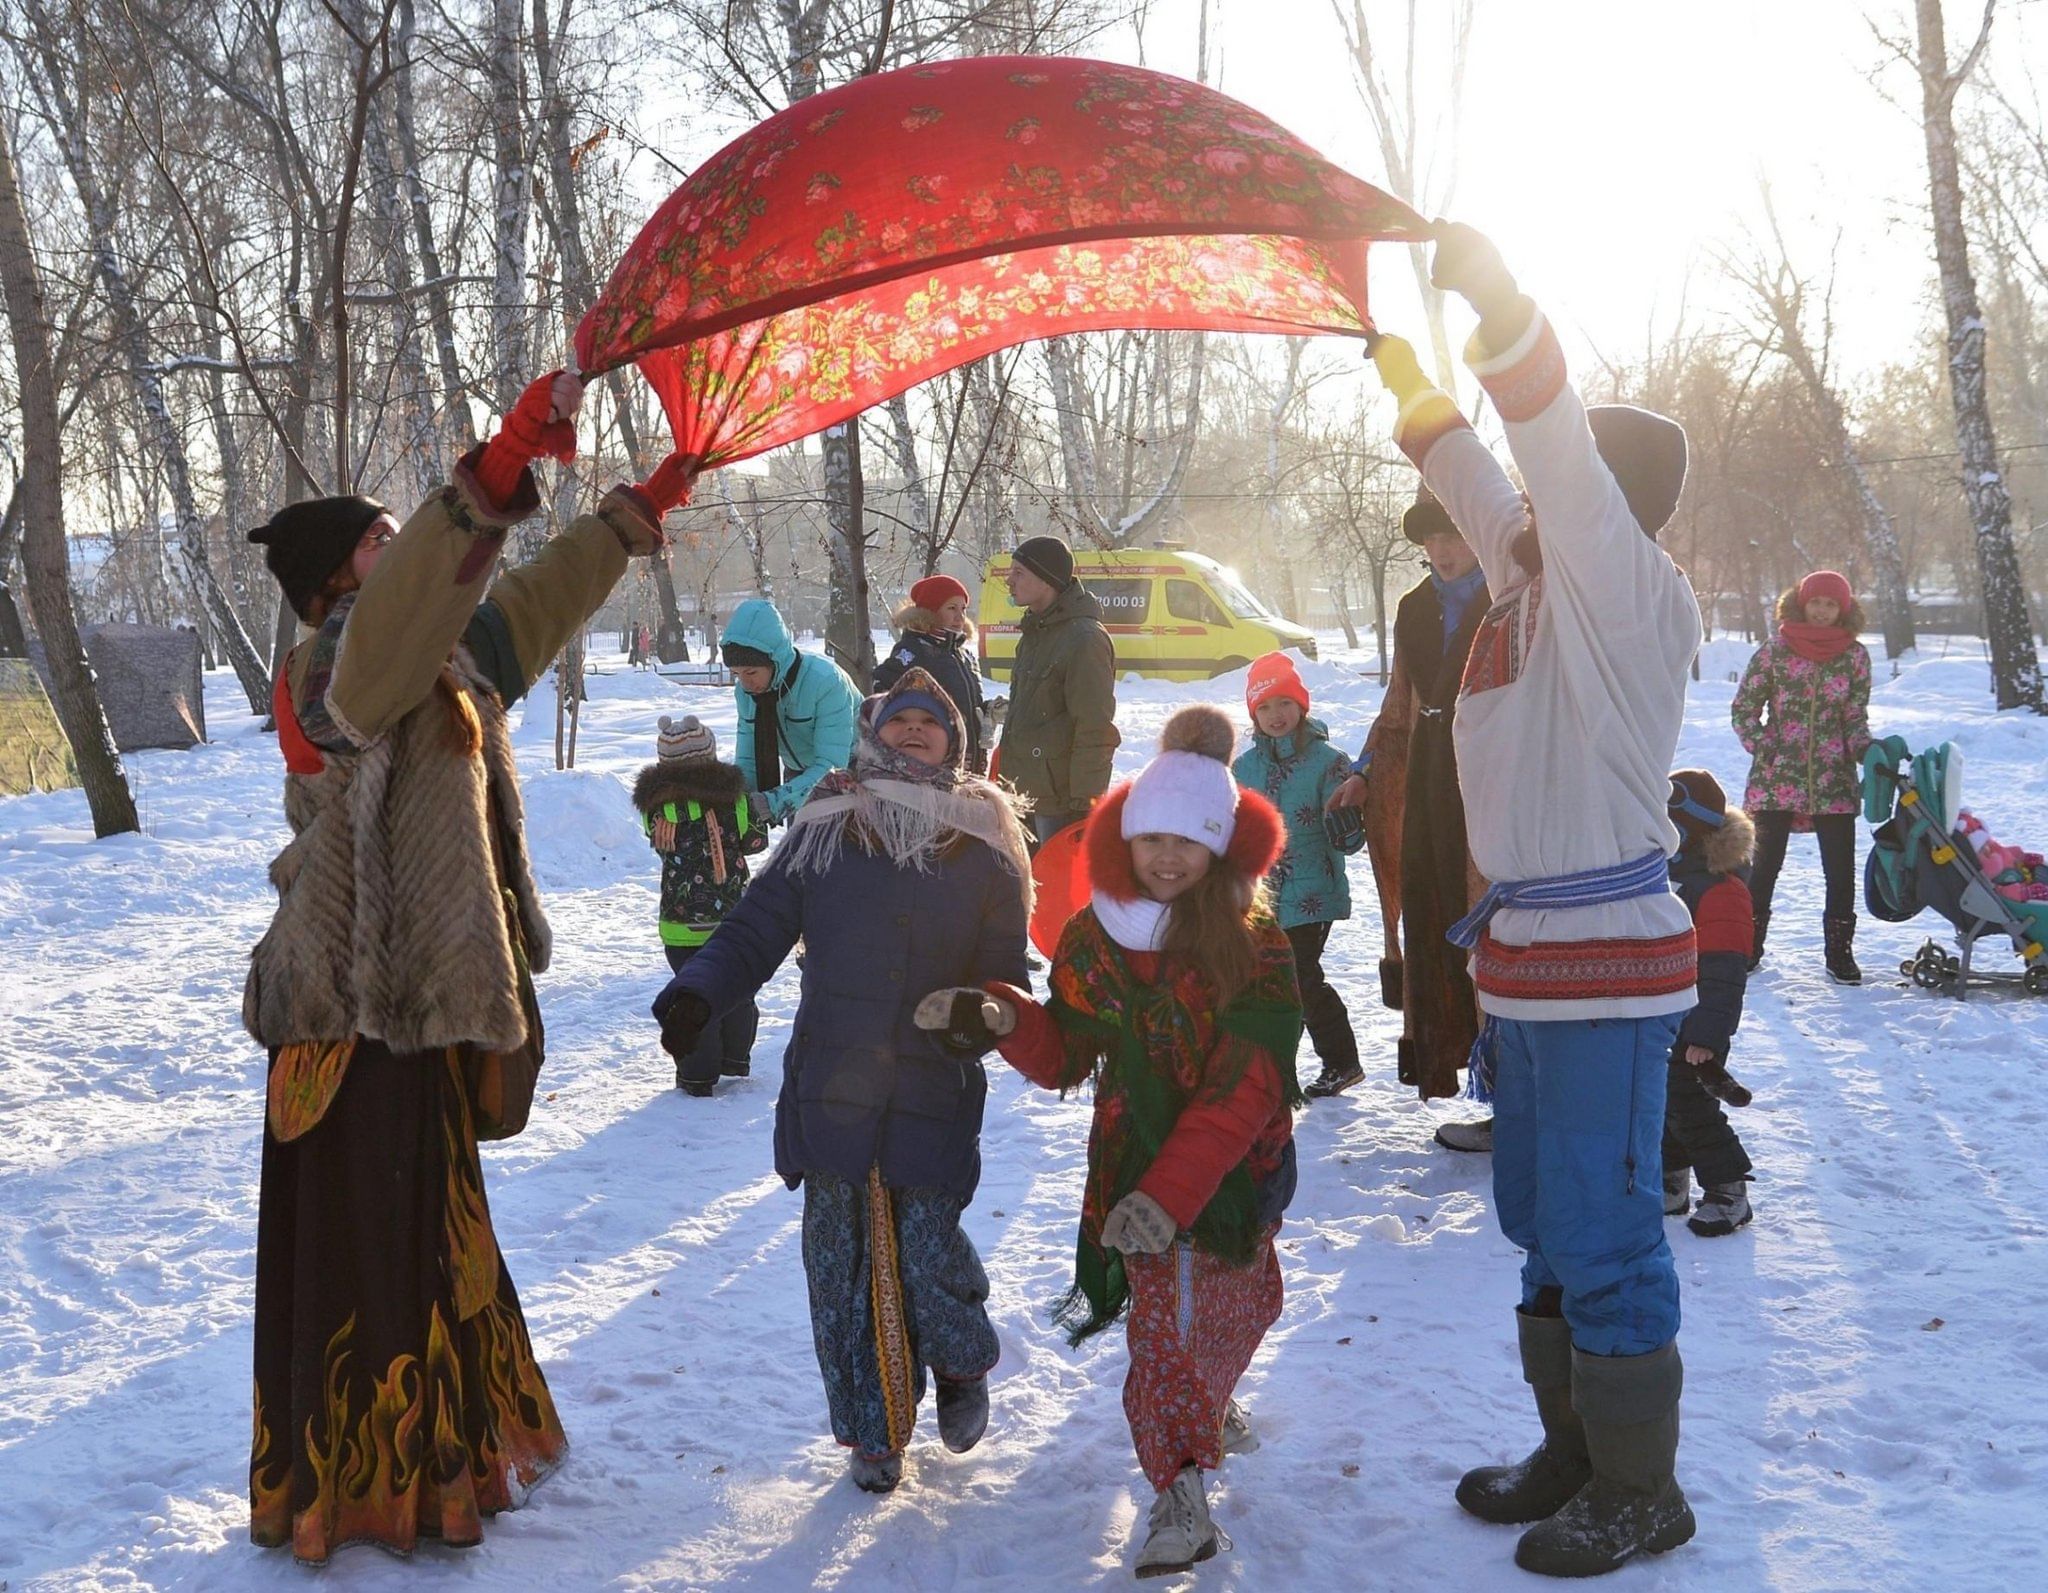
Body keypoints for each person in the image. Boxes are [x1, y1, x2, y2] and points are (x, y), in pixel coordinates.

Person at [242, 371, 668, 1561]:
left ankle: (457, 1453)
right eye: (379, 539)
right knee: (368, 1243)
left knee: (435, 1235)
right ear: (336, 579)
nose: (399, 545)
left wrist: (627, 518)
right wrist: (486, 479)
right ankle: (374, 1488)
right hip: (343, 1005)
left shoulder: (431, 655)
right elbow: (424, 598)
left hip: (418, 998)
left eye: (401, 532)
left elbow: (521, 607)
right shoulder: (338, 665)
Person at [1374, 222, 1702, 1577]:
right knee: (1538, 1219)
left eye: (1557, 493)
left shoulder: (1627, 591)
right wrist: (1403, 379)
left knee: (1603, 1224)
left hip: (1606, 967)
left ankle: (1644, 1488)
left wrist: (1500, 308)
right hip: (1525, 966)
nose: (1524, 503)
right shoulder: (1522, 581)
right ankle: (1577, 1449)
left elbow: (1550, 454)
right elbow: (1478, 472)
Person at [933, 705, 1300, 1580]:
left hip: (1239, 1169)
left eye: (1189, 840)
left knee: (1234, 1306)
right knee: (1167, 1336)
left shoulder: (1256, 944)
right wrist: (1001, 1016)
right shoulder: (1095, 935)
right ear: (1124, 839)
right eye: (1151, 839)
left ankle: (1210, 1402)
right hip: (1134, 1162)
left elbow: (1242, 1085)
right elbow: (1066, 1046)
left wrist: (1173, 1194)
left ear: (1221, 846)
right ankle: (1181, 1496)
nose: (1167, 858)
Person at [651, 668, 1032, 1495]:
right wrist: (698, 993)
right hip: (834, 1079)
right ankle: (873, 1431)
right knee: (840, 1264)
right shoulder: (826, 821)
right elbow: (753, 927)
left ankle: (963, 1361)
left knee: (927, 1251)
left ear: (957, 739)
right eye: (901, 720)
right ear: (874, 732)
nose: (915, 730)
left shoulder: (981, 835)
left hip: (933, 1083)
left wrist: (988, 1012)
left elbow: (1007, 967)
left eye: (933, 722)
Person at [1328, 491, 1493, 1144]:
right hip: (1428, 773)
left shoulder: (1509, 600)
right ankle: (1464, 1070)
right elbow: (1401, 700)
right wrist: (1367, 769)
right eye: (1433, 541)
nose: (1444, 552)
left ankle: (1514, 1089)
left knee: (1490, 916)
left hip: (1487, 770)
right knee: (1435, 914)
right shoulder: (1414, 607)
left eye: (1454, 537)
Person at [1233, 651, 1366, 1097]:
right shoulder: (1244, 768)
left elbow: (1345, 822)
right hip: (1262, 894)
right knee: (1269, 979)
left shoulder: (1329, 761)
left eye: (1284, 704)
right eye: (1265, 706)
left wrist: (1347, 831)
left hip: (1313, 889)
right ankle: (1272, 1064)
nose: (1276, 715)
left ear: (1301, 707)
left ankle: (1341, 1061)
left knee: (1300, 976)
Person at [1730, 570, 1873, 982]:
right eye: (1817, 602)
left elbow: (1854, 716)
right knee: (1764, 867)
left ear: (1843, 609)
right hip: (1777, 779)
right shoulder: (1775, 651)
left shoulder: (1855, 656)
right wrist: (1766, 746)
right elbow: (1744, 709)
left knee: (1840, 870)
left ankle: (1839, 954)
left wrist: (1866, 749)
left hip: (1834, 779)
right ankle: (1748, 947)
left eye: (1831, 604)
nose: (1823, 611)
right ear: (1802, 603)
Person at [632, 713, 767, 1095]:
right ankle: (734, 1060)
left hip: (678, 924)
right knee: (737, 990)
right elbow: (755, 842)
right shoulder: (735, 799)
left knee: (691, 997)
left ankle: (696, 1075)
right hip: (732, 921)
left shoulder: (654, 808)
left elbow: (654, 841)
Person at [1663, 771, 1759, 1238]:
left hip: (1697, 1022)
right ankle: (1669, 1183)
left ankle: (1728, 1191)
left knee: (1691, 1105)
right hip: (1660, 1015)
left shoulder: (1720, 889)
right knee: (1658, 1101)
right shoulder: (1669, 876)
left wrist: (1707, 1036)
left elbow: (1724, 972)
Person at [996, 534, 1119, 844]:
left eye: (1019, 573)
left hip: (1059, 804)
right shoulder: (1036, 631)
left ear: (1046, 581)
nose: (1009, 581)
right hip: (1022, 793)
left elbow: (1094, 727)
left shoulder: (1084, 639)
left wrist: (1086, 806)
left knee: (1057, 890)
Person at [719, 597, 864, 824]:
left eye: (751, 672)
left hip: (853, 773)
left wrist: (773, 802)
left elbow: (833, 764)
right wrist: (739, 802)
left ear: (775, 661)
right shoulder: (747, 694)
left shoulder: (826, 682)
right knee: (798, 850)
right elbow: (748, 758)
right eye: (736, 674)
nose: (744, 683)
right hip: (798, 774)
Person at [876, 573, 990, 773]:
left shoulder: (963, 655)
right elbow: (884, 697)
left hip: (969, 759)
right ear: (930, 612)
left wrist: (986, 712)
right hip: (933, 763)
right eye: (951, 608)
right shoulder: (914, 650)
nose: (960, 616)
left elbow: (968, 702)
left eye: (963, 609)